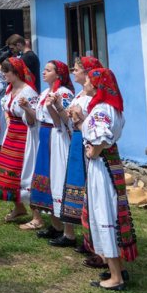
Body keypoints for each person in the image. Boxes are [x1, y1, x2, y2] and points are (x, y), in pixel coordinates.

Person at [82, 67, 138, 290]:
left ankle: (116, 278)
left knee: (104, 212)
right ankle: (119, 268)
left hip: (101, 165)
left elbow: (102, 137)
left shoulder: (101, 110)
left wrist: (92, 152)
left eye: (87, 81)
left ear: (96, 85)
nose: (85, 84)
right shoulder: (113, 108)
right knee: (111, 211)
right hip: (110, 163)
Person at [48, 57, 99, 250]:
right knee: (74, 185)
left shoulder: (94, 97)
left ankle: (92, 240)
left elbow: (93, 124)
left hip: (86, 142)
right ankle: (72, 234)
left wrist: (79, 117)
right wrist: (59, 107)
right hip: (77, 141)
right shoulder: (79, 95)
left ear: (87, 73)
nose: (73, 72)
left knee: (87, 189)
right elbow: (68, 122)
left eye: (77, 69)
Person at [0, 58, 39, 224]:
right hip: (12, 134)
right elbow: (7, 110)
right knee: (11, 172)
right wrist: (8, 120)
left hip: (25, 135)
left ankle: (37, 216)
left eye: (6, 72)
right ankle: (19, 207)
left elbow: (36, 116)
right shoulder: (10, 90)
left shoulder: (28, 91)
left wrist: (25, 109)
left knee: (26, 171)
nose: (4, 75)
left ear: (16, 73)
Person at [31, 61, 76, 242]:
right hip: (45, 135)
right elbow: (39, 115)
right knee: (46, 178)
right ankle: (55, 225)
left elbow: (65, 122)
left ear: (58, 75)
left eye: (48, 70)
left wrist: (52, 106)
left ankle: (68, 231)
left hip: (57, 137)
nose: (43, 72)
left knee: (58, 178)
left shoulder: (64, 93)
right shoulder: (45, 92)